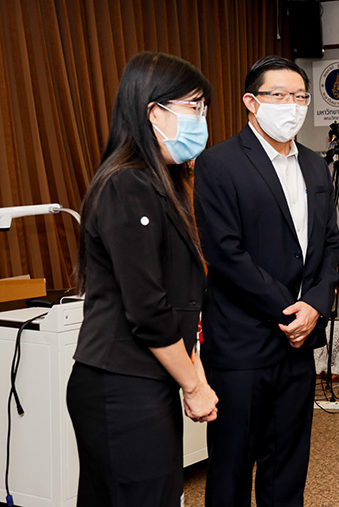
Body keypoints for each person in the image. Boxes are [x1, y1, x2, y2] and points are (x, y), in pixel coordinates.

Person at [67, 51, 219, 507]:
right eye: (193, 107)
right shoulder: (126, 184)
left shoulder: (161, 184)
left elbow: (178, 298)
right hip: (119, 383)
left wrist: (194, 370)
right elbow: (148, 309)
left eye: (204, 108)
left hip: (146, 378)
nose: (202, 120)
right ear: (154, 112)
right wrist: (194, 386)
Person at [193, 55, 339, 506]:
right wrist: (289, 310)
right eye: (279, 95)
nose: (291, 105)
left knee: (288, 465)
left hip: (299, 342)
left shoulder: (314, 165)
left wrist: (314, 305)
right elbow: (225, 253)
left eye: (300, 96)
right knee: (232, 467)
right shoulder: (218, 163)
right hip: (242, 342)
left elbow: (330, 243)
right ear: (251, 102)